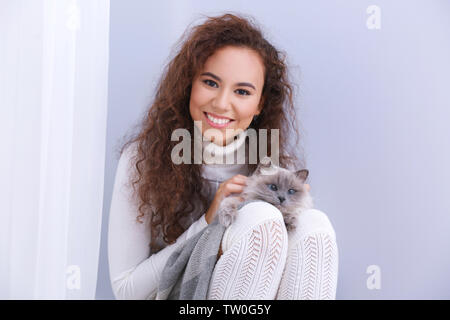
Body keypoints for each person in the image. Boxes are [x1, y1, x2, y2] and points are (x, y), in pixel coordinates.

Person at [108, 13, 338, 300]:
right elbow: (126, 290)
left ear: (259, 104)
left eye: (242, 91)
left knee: (313, 226)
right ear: (189, 84)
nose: (221, 103)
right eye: (211, 83)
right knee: (261, 217)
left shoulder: (273, 171)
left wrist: (293, 212)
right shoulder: (143, 160)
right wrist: (209, 223)